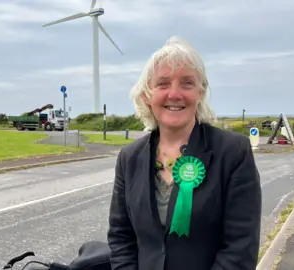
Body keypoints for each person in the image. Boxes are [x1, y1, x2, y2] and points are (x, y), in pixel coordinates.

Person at [107, 36, 262, 270]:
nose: (175, 94)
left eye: (187, 83)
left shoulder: (233, 153)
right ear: (147, 95)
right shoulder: (129, 158)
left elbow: (240, 249)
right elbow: (121, 239)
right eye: (163, 83)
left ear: (200, 92)